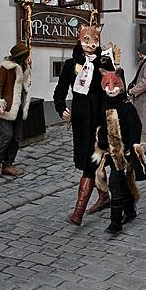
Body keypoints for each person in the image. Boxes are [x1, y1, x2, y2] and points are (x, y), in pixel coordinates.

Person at [53, 24, 113, 226]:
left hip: (99, 122)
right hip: (79, 123)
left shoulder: (104, 61)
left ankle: (78, 212)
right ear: (79, 40)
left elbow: (113, 88)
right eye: (86, 40)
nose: (90, 44)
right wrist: (61, 109)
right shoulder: (71, 65)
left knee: (91, 164)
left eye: (94, 40)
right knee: (86, 162)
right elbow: (59, 91)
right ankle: (104, 196)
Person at [93, 69, 146, 234]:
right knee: (123, 184)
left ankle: (115, 222)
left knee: (114, 183)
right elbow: (102, 126)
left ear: (121, 86)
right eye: (107, 85)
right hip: (109, 152)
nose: (111, 89)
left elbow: (135, 128)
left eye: (115, 85)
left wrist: (131, 149)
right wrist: (101, 144)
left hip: (124, 153)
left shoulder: (127, 107)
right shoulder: (104, 105)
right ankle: (130, 211)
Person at [0, 43, 31, 177]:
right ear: (21, 57)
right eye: (27, 55)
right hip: (5, 109)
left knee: (16, 138)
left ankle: (8, 164)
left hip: (19, 109)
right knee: (6, 135)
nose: (29, 58)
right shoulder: (6, 68)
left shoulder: (24, 68)